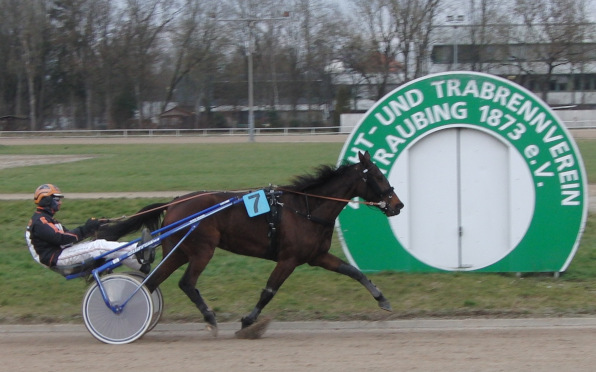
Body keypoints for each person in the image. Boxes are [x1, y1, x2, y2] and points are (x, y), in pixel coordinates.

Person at [25, 184, 151, 274]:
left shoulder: (46, 219)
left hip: (61, 253)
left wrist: (92, 228)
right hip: (57, 258)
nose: (60, 203)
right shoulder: (40, 222)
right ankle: (138, 249)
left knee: (104, 248)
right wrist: (86, 229)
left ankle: (141, 266)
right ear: (46, 200)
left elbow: (69, 237)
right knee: (98, 246)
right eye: (57, 199)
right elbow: (62, 239)